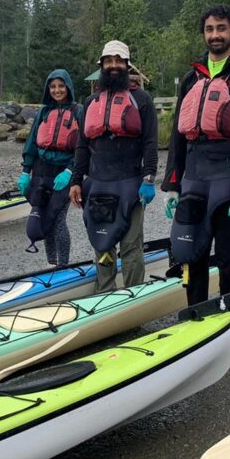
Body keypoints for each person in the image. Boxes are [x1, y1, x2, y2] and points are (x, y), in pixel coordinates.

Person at [161, 5, 230, 305]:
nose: (215, 34)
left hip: (227, 179)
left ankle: (229, 312)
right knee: (191, 252)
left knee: (228, 256)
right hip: (194, 179)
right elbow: (178, 136)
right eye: (210, 29)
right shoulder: (190, 79)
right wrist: (171, 185)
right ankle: (195, 313)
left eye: (221, 28)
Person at [69, 40, 159, 293]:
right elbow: (82, 145)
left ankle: (133, 296)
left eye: (119, 61)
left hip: (131, 183)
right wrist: (76, 180)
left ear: (127, 65)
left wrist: (149, 178)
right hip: (97, 184)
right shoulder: (90, 102)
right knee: (102, 242)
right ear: (102, 66)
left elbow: (150, 143)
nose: (114, 66)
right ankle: (105, 293)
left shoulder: (141, 100)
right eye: (109, 61)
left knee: (131, 245)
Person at [18, 69, 81, 267]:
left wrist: (71, 171)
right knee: (45, 216)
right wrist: (25, 172)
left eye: (61, 86)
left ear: (68, 87)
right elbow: (31, 143)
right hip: (42, 171)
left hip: (64, 171)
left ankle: (63, 265)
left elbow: (83, 147)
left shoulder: (78, 111)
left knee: (58, 219)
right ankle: (51, 263)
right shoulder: (44, 111)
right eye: (53, 86)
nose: (57, 90)